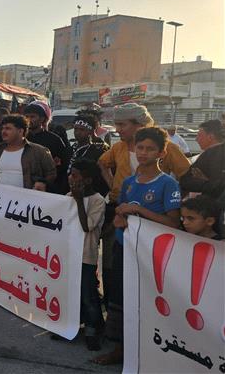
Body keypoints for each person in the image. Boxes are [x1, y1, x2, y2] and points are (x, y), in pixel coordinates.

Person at [95, 127, 182, 366]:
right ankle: (120, 349)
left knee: (145, 302)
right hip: (124, 248)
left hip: (151, 255)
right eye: (140, 148)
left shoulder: (168, 184)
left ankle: (144, 352)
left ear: (161, 153)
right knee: (121, 299)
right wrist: (119, 219)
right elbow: (121, 212)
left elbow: (173, 223)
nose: (143, 153)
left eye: (150, 149)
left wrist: (138, 210)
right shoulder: (129, 182)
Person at [66, 158, 106, 351]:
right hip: (69, 253)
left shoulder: (98, 200)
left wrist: (79, 201)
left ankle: (93, 329)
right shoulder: (68, 196)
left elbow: (86, 226)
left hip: (86, 256)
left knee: (88, 294)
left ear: (87, 180)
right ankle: (73, 325)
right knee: (72, 292)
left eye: (75, 175)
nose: (70, 178)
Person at [0, 115, 56, 189]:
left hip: (26, 195)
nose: (3, 131)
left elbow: (51, 173)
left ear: (20, 131)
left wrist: (43, 183)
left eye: (8, 128)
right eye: (3, 128)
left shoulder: (39, 151)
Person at [24, 101, 70, 194]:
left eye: (32, 117)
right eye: (27, 117)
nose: (29, 120)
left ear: (42, 119)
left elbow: (62, 166)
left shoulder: (54, 140)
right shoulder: (21, 138)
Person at [69, 114, 110, 197]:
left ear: (91, 131)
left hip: (89, 195)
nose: (77, 132)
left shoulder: (98, 151)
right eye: (75, 129)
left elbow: (102, 177)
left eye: (82, 129)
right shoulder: (70, 148)